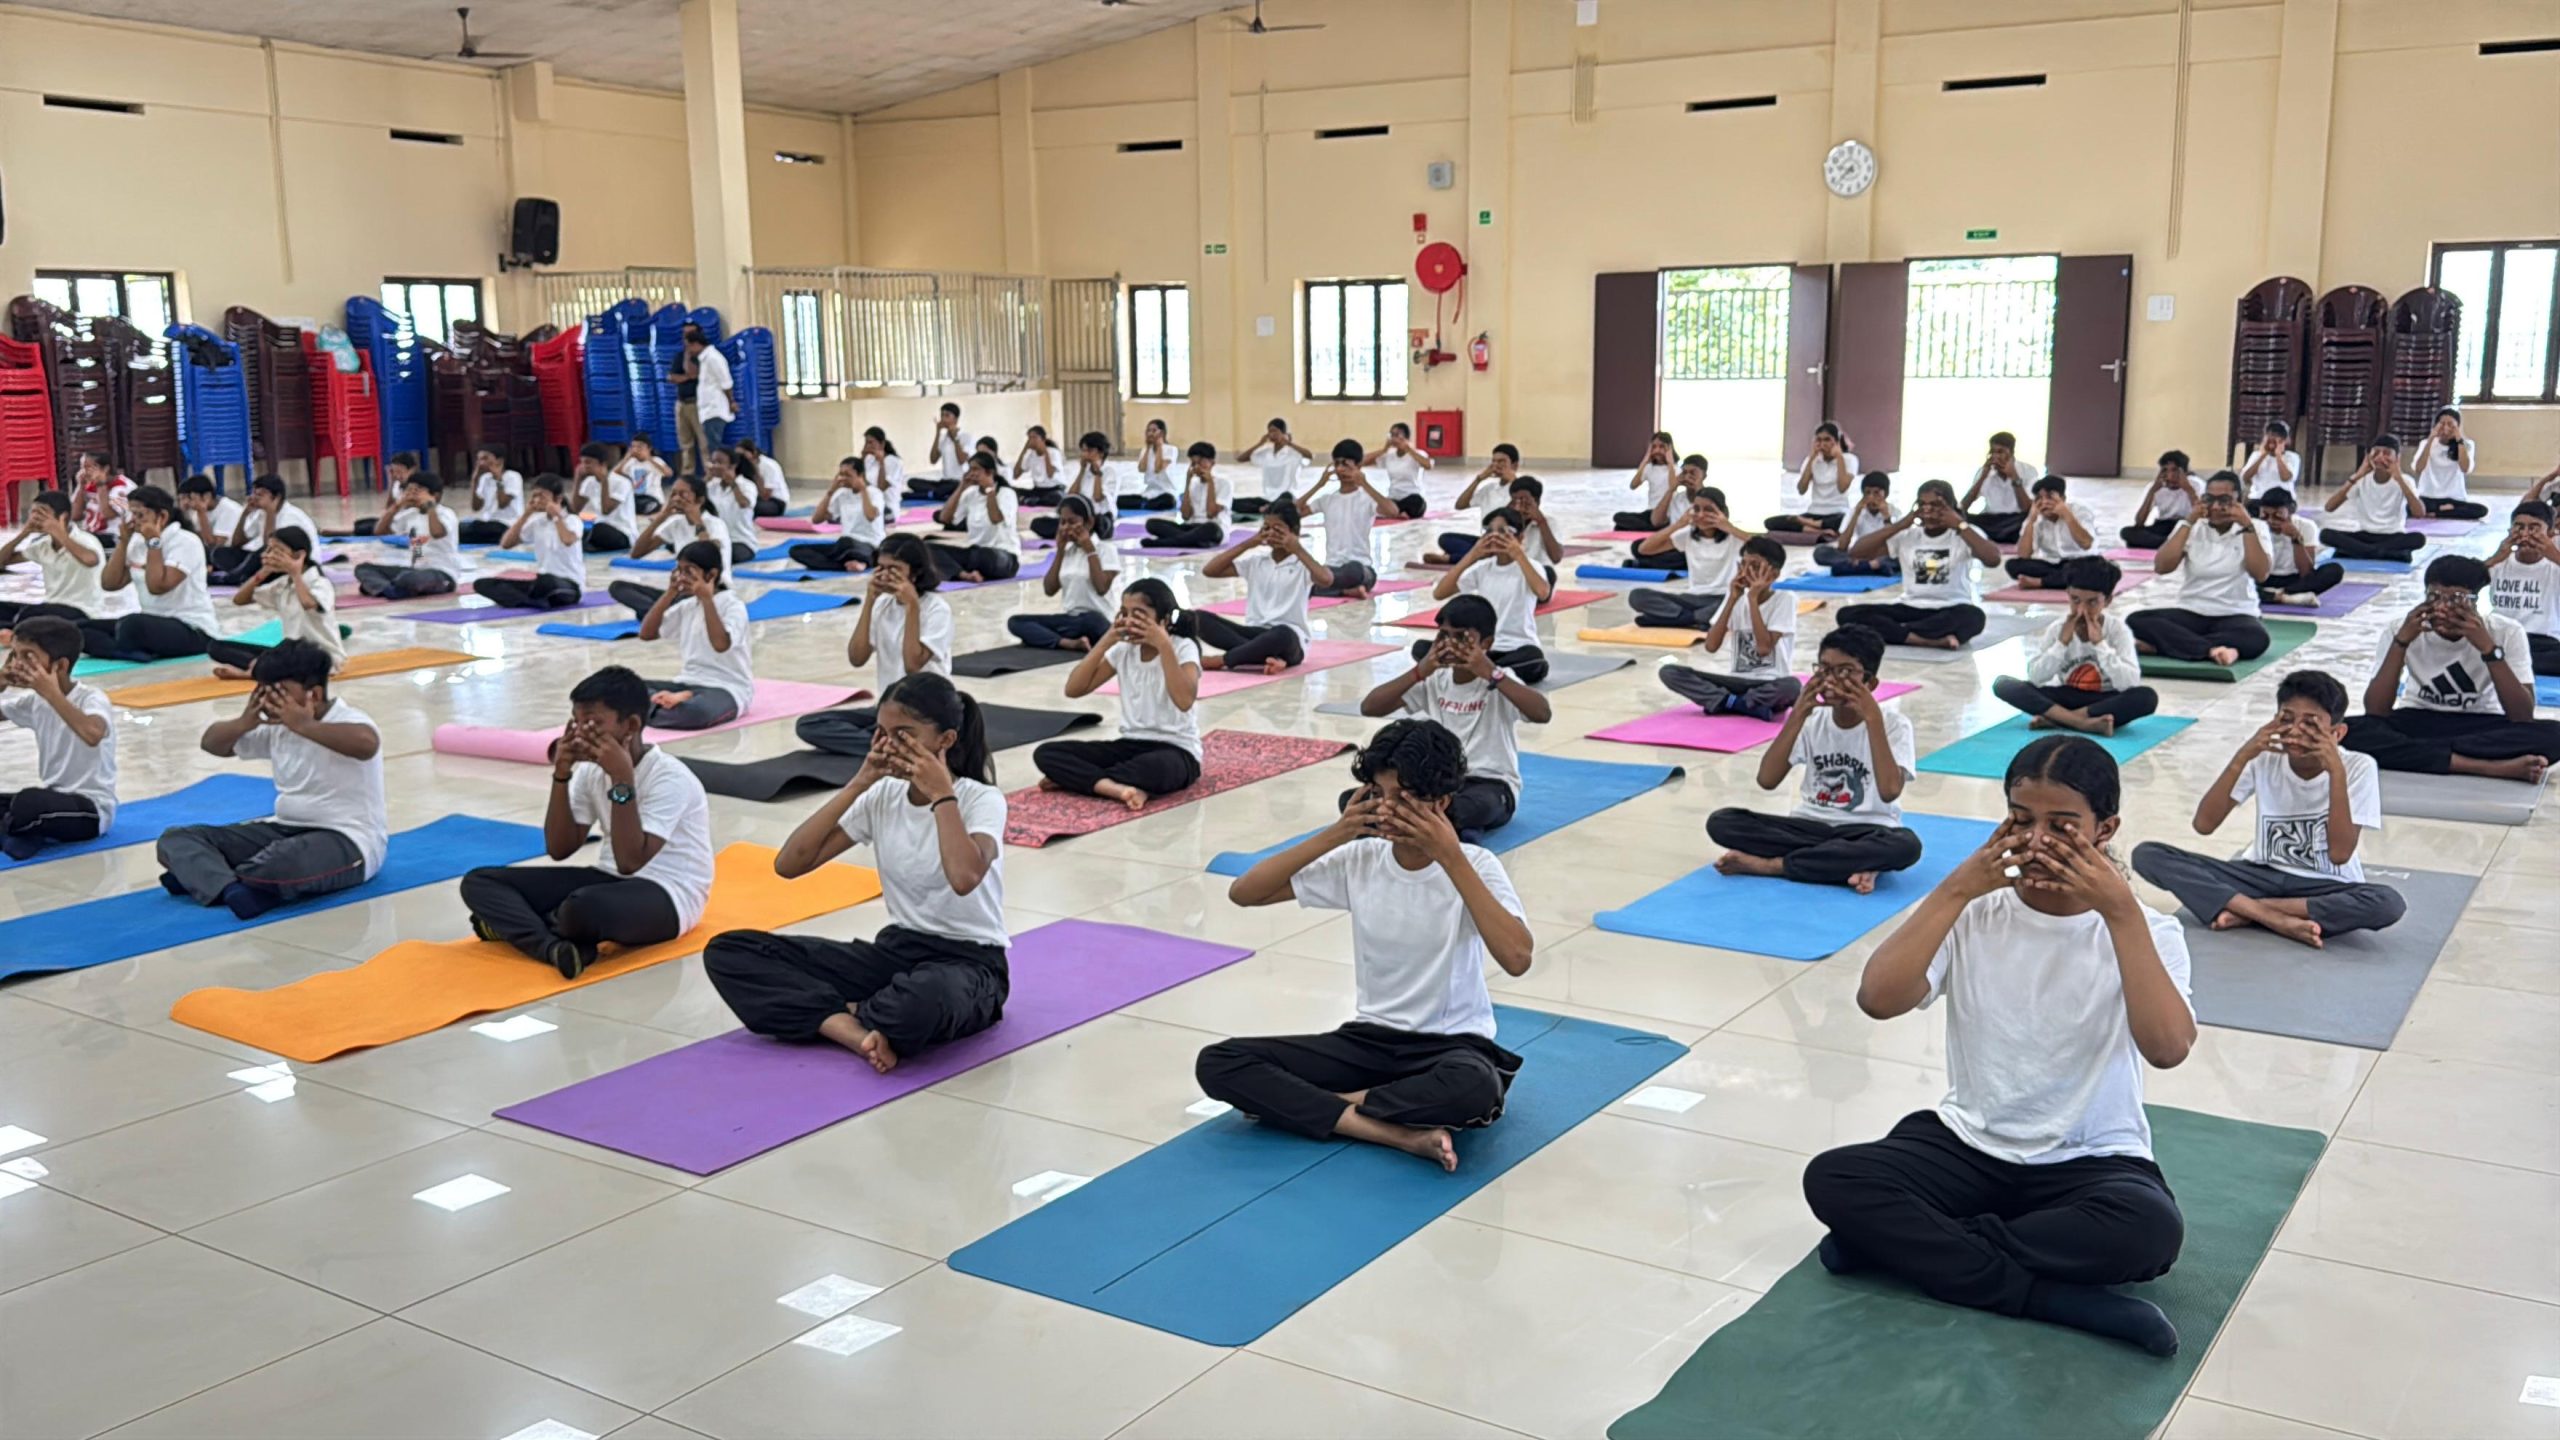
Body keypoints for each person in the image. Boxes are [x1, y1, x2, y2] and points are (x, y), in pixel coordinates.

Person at [1806, 735, 2194, 1356]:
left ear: (2105, 828)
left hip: (2088, 1159)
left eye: (2063, 825)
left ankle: (1914, 1246)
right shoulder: (1975, 912)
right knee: (1835, 1177)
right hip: (1967, 1143)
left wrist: (2122, 916)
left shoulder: (2150, 930)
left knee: (2149, 1233)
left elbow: (2168, 1047)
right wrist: (1955, 890)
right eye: (2020, 820)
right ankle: (2046, 1297)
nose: (2037, 841)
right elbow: (1878, 999)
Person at [1202, 718, 1535, 1172]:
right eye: (1380, 795)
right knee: (1220, 1061)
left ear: (1441, 801)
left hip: (1451, 1048)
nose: (1389, 810)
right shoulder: (1361, 858)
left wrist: (1451, 855)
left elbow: (1517, 958)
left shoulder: (1476, 864)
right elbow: (1246, 892)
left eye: (1406, 799)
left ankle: (1327, 1106)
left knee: (1473, 1088)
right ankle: (1391, 1132)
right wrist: (1338, 832)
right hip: (1368, 1042)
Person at [705, 672, 1007, 1074]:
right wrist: (859, 782)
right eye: (880, 733)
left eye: (903, 735)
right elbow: (790, 864)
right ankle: (848, 1027)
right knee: (729, 951)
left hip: (970, 964)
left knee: (921, 1002)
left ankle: (844, 1011)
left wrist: (941, 794)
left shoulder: (981, 800)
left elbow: (964, 877)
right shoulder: (882, 795)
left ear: (945, 740)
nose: (887, 746)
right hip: (896, 954)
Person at [459, 665, 709, 978]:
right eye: (576, 722)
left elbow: (630, 861)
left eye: (592, 722)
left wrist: (621, 780)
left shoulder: (670, 778)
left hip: (668, 895)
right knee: (480, 882)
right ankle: (552, 947)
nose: (580, 733)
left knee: (581, 907)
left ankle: (520, 926)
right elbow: (560, 848)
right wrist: (561, 774)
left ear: (630, 724)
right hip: (606, 879)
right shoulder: (590, 772)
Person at [2131, 670, 2402, 948]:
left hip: (2324, 885)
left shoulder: (2358, 766)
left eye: (2311, 724)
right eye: (2286, 719)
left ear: (2337, 733)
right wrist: (2243, 756)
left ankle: (2246, 911)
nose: (2295, 731)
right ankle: (2272, 917)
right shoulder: (2265, 758)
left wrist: (2335, 772)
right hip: (2259, 873)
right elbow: (2204, 824)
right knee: (2148, 855)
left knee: (2387, 903)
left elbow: (2340, 853)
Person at [158, 639, 386, 919]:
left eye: (279, 693)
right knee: (177, 839)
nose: (268, 702)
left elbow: (367, 743)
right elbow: (212, 743)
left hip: (347, 839)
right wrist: (244, 722)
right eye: (264, 692)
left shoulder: (347, 719)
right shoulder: (278, 726)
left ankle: (207, 878)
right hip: (282, 830)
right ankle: (233, 888)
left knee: (282, 861)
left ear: (313, 694)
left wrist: (304, 725)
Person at [1707, 625, 1920, 892]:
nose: (1831, 680)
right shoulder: (1813, 720)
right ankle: (1848, 864)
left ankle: (1775, 866)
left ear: (1870, 682)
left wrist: (1872, 718)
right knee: (1722, 822)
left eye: (1845, 672)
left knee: (1906, 846)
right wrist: (1797, 715)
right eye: (1824, 669)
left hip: (1867, 830)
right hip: (1808, 826)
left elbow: (1889, 791)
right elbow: (1767, 779)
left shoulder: (1893, 724)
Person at [2345, 556, 2560, 783]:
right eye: (2434, 597)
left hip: (2480, 722)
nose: (2443, 608)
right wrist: (2401, 642)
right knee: (2349, 730)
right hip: (2417, 718)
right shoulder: (2401, 628)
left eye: (2457, 599)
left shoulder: (2506, 631)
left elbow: (2522, 715)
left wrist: (2487, 648)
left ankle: (2419, 755)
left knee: (2554, 734)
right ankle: (2489, 767)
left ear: (2476, 601)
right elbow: (2377, 711)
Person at [1357, 598, 1551, 841]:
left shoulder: (1501, 680)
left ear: (1486, 644)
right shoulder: (1434, 680)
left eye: (1461, 637)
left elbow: (1542, 713)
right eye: (1444, 636)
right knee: (1354, 800)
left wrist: (1491, 672)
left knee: (1468, 808)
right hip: (1437, 784)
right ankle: (1453, 830)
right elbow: (1370, 707)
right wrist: (1420, 671)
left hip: (1489, 785)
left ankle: (1435, 824)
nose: (1450, 645)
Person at [1037, 578, 1202, 809]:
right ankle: (1116, 788)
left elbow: (1184, 700)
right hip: (1129, 746)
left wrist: (1164, 646)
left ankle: (1082, 779)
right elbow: (1074, 689)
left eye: (1139, 614)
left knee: (1156, 769)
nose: (1129, 620)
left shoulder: (1183, 647)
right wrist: (1106, 640)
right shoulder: (1124, 649)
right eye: (1124, 613)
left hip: (1176, 751)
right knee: (1046, 753)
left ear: (1163, 620)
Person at [796, 533, 953, 757]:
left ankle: (891, 744)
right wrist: (869, 600)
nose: (885, 575)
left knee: (912, 728)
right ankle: (893, 746)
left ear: (915, 573)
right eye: (881, 567)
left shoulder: (936, 609)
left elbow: (913, 665)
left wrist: (912, 607)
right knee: (809, 725)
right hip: (890, 709)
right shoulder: (883, 605)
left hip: (926, 710)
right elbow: (857, 658)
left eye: (894, 568)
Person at [1992, 558, 2161, 735]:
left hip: (2104, 700)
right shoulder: (2058, 628)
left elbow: (2129, 683)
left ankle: (2061, 720)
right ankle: (2082, 723)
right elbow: (2036, 677)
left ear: (2108, 600)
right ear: (2068, 595)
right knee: (2004, 684)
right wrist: (2061, 644)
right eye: (2075, 600)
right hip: (2066, 696)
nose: (2082, 610)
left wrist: (2099, 644)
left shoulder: (2117, 630)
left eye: (2092, 602)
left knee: (2146, 697)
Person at [0, 617, 117, 860]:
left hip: (90, 810)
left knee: (28, 803)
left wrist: (50, 693)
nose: (18, 664)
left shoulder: (90, 698)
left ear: (60, 666)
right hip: (54, 801)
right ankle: (19, 832)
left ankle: (16, 832)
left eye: (28, 656)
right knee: (23, 804)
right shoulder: (35, 702)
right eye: (15, 655)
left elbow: (93, 733)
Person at [2128, 472, 2271, 667]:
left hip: (2235, 613)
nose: (2216, 507)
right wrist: (2187, 522)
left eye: (2225, 501)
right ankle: (2212, 649)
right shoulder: (2191, 526)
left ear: (2241, 500)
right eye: (2209, 499)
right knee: (2136, 620)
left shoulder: (2256, 528)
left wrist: (2247, 526)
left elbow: (2260, 574)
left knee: (2257, 638)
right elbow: (2162, 567)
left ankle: (2164, 646)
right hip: (2191, 611)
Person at [1837, 480, 2001, 649]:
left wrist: (1960, 524)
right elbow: (1857, 552)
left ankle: (1899, 632)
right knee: (1847, 614)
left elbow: (1993, 559)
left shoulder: (1964, 533)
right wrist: (1900, 524)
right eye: (1923, 505)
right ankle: (1924, 639)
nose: (1928, 511)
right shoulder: (1908, 535)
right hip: (1909, 607)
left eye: (1936, 505)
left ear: (1951, 508)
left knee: (1974, 617)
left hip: (1950, 607)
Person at [1660, 536, 1799, 719]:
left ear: (1774, 574)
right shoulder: (1736, 597)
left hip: (1769, 683)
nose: (1747, 572)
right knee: (1669, 672)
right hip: (1736, 681)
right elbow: (1711, 645)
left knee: (1792, 686)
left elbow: (1764, 648)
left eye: (1755, 566)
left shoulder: (1785, 599)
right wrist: (1733, 598)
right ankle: (1738, 703)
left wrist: (1753, 600)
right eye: (1743, 565)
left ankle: (1728, 702)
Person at [77, 486, 219, 662]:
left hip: (191, 627)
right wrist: (123, 542)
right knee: (79, 629)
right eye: (132, 514)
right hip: (153, 623)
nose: (134, 521)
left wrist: (154, 543)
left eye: (140, 515)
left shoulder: (185, 542)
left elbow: (157, 587)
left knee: (132, 624)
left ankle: (123, 648)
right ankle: (126, 651)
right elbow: (109, 584)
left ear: (162, 517)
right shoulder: (136, 541)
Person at [629, 541, 755, 730]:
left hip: (726, 689)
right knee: (621, 690)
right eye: (679, 571)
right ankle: (671, 703)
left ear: (711, 575)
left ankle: (647, 711)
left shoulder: (733, 606)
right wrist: (670, 593)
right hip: (686, 682)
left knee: (696, 713)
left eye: (689, 571)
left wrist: (707, 599)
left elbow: (721, 644)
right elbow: (646, 634)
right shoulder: (688, 606)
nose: (682, 577)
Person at [1196, 505, 1328, 674]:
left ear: (1294, 531)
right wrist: (1249, 543)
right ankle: (1265, 656)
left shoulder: (1302, 565)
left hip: (1289, 640)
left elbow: (1326, 579)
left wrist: (1297, 548)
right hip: (1253, 634)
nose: (1271, 534)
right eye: (1266, 528)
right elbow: (1210, 570)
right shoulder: (1257, 562)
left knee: (1281, 634)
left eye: (1278, 529)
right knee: (1198, 619)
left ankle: (1225, 660)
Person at [1428, 508, 1553, 684]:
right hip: (1484, 648)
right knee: (1423, 649)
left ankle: (1480, 671)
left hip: (1518, 648)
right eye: (1489, 531)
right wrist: (1473, 554)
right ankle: (1488, 671)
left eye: (1503, 531)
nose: (1494, 536)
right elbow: (1439, 593)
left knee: (1534, 661)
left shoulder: (1531, 566)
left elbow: (1543, 593)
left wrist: (1518, 554)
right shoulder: (1483, 568)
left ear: (1520, 537)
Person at [207, 526, 341, 677]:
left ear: (299, 555)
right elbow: (239, 600)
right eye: (269, 550)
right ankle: (264, 668)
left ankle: (252, 673)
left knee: (288, 659)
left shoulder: (320, 583)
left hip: (319, 657)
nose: (269, 555)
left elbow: (308, 603)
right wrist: (263, 572)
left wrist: (295, 573)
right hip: (290, 654)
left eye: (277, 551)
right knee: (216, 647)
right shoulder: (283, 584)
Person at [1008, 495, 1120, 651]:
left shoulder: (1106, 549)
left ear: (1089, 522)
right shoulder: (1068, 552)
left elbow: (1101, 587)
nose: (1066, 527)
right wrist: (1060, 551)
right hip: (1071, 621)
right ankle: (1067, 643)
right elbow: (1049, 589)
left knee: (1092, 621)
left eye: (1072, 522)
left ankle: (1059, 640)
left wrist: (1089, 550)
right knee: (1015, 622)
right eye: (1063, 522)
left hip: (1097, 620)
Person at [614, 474, 732, 615]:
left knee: (683, 600)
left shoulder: (714, 524)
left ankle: (658, 613)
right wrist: (662, 516)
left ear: (699, 500)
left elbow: (710, 554)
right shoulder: (676, 523)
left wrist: (697, 522)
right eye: (674, 494)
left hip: (710, 591)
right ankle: (659, 613)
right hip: (683, 591)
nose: (676, 499)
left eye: (683, 494)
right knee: (618, 587)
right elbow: (636, 553)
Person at [1630, 484, 1747, 624]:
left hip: (1723, 598)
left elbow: (1770, 549)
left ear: (1722, 512)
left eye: (1709, 510)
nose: (1701, 515)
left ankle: (1673, 619)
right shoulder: (1687, 535)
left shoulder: (1734, 538)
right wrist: (1678, 524)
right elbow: (1644, 549)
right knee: (1637, 596)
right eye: (1696, 509)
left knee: (1740, 604)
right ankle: (1692, 619)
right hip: (1693, 598)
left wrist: (1729, 527)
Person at [472, 475, 588, 611]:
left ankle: (526, 599)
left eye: (542, 496)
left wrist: (557, 516)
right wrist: (526, 514)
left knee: (547, 582)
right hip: (542, 582)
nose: (537, 500)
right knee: (483, 584)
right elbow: (506, 543)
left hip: (569, 585)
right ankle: (530, 601)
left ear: (558, 499)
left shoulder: (572, 520)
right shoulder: (538, 522)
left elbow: (567, 540)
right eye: (534, 496)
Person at [1302, 439, 1400, 599]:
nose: (1340, 469)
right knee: (1305, 575)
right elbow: (1294, 512)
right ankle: (1344, 591)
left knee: (1352, 570)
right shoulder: (1327, 499)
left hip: (1361, 570)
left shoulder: (1366, 499)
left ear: (1358, 466)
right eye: (1337, 464)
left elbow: (1392, 511)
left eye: (1346, 465)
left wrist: (1365, 484)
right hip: (1331, 568)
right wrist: (1319, 485)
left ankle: (1325, 588)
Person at [0, 490, 106, 628]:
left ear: (63, 517)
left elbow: (90, 560)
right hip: (50, 606)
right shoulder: (43, 545)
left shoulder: (85, 540)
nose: (36, 518)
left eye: (42, 513)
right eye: (34, 513)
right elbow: (2, 561)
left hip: (81, 610)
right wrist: (23, 534)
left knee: (28, 616)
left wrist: (58, 532)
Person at [353, 470, 461, 599]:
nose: (412, 494)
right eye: (409, 490)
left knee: (408, 579)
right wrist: (397, 506)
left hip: (442, 573)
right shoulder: (410, 515)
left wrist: (430, 506)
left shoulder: (445, 513)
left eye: (418, 490)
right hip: (415, 570)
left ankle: (384, 587)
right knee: (363, 569)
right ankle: (390, 589)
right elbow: (379, 531)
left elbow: (437, 533)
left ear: (435, 495)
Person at [2319, 438, 2426, 562]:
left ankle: (2360, 551)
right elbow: (2329, 507)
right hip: (2364, 535)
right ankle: (2380, 552)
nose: (2380, 457)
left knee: (2419, 538)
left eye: (2386, 453)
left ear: (2397, 458)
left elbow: (2419, 513)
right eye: (2376, 453)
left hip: (2393, 536)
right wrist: (2357, 475)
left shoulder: (2405, 480)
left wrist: (2399, 479)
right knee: (2325, 534)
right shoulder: (2361, 479)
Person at [2487, 501, 2560, 675]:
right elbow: (2461, 582)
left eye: (2534, 528)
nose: (2525, 534)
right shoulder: (2499, 563)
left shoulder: (2554, 566)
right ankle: (2509, 662)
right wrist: (2494, 558)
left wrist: (2555, 555)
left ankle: (2504, 664)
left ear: (2550, 534)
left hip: (2542, 643)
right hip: (2501, 639)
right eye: (2519, 527)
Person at [926, 453, 1022, 582]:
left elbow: (995, 518)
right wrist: (961, 487)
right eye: (970, 469)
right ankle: (964, 574)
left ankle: (959, 568)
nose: (972, 473)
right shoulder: (971, 494)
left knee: (982, 556)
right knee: (927, 548)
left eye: (976, 469)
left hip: (1002, 558)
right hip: (974, 554)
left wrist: (990, 490)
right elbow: (945, 518)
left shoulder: (1007, 494)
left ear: (989, 472)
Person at [210, 475, 319, 587]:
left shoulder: (291, 516)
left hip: (293, 563)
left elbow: (271, 547)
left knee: (262, 552)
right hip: (268, 561)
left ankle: (233, 578)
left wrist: (270, 512)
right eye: (254, 493)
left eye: (260, 495)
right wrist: (245, 513)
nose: (255, 498)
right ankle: (244, 574)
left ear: (276, 497)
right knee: (219, 553)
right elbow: (237, 543)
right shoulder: (261, 513)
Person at [790, 453, 891, 573]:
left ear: (860, 476)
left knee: (848, 544)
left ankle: (861, 560)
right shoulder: (842, 494)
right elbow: (817, 519)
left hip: (869, 544)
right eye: (841, 474)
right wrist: (831, 492)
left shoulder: (874, 493)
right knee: (796, 550)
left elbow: (870, 516)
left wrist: (863, 490)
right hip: (845, 545)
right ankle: (844, 564)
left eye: (847, 475)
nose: (842, 479)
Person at [1429, 442, 1522, 565]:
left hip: (1506, 542)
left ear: (1514, 466)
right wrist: (1479, 479)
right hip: (1486, 540)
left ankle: (1453, 559)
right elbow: (1460, 505)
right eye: (1494, 461)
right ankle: (1476, 556)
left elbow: (1518, 515)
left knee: (1491, 552)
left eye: (1502, 462)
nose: (1496, 465)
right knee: (1445, 539)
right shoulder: (1489, 488)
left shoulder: (1522, 488)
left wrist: (1513, 480)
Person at [2001, 475, 2099, 589]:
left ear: (2063, 498)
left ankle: (2040, 582)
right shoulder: (2035, 518)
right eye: (2039, 498)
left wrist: (2066, 514)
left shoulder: (2080, 511)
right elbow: (2024, 555)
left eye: (2050, 497)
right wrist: (2031, 520)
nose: (2044, 502)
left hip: (2080, 562)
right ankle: (2060, 580)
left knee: (2092, 571)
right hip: (2052, 565)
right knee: (2013, 565)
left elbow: (2086, 544)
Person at [1768, 422, 1861, 536]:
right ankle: (1820, 530)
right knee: (1771, 522)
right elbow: (1801, 489)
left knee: (1847, 522)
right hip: (1814, 511)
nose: (1823, 444)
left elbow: (1842, 487)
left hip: (1837, 512)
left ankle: (1810, 525)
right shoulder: (1812, 460)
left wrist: (1839, 456)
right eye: (1819, 440)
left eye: (1827, 440)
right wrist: (1812, 457)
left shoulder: (1849, 459)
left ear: (1837, 441)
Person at [2254, 488, 2342, 607]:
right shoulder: (2257, 527)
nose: (2271, 521)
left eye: (2277, 516)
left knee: (2334, 570)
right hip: (2264, 578)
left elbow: (2306, 572)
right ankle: (2284, 597)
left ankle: (2278, 594)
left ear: (2291, 510)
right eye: (2265, 516)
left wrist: (2295, 538)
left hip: (2294, 580)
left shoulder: (2306, 526)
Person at [672, 323, 734, 478]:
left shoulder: (713, 358)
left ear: (697, 343)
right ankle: (693, 476)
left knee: (710, 446)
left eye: (689, 345)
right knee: (689, 443)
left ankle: (715, 476)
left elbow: (726, 382)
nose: (688, 349)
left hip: (713, 409)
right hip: (701, 408)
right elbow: (673, 376)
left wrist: (731, 402)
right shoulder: (700, 357)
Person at [1958, 431, 2042, 544]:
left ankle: (1998, 538)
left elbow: (2026, 508)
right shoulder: (1985, 471)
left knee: (2031, 519)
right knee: (1959, 517)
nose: (1995, 456)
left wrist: (2014, 476)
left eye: (2000, 452)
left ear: (2011, 453)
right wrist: (1983, 477)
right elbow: (1964, 506)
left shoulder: (2028, 471)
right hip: (1991, 519)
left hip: (2015, 520)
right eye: (1992, 452)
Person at [1144, 441, 1231, 549]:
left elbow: (1211, 513)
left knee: (1210, 530)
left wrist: (1210, 483)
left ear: (1212, 463)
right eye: (1194, 463)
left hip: (1213, 527)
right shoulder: (1194, 484)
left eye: (1201, 462)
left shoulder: (1224, 483)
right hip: (1192, 528)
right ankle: (1192, 541)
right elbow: (1185, 515)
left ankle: (1164, 542)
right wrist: (1188, 482)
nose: (1197, 467)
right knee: (1152, 524)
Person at [1814, 473, 1902, 577]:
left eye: (1876, 493)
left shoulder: (1895, 513)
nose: (1871, 497)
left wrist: (1886, 517)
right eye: (1867, 493)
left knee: (1900, 558)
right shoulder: (1855, 511)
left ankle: (1860, 567)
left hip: (1883, 556)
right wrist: (1856, 514)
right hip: (1860, 556)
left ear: (1886, 494)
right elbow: (1842, 546)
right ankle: (1870, 566)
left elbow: (1894, 546)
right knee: (1820, 552)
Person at [1034, 431, 1118, 541]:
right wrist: (1082, 470)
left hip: (1100, 516)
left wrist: (1097, 473)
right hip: (1079, 518)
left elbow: (1097, 497)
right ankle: (1076, 530)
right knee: (1038, 523)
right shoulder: (1084, 471)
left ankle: (1078, 531)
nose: (1085, 454)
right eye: (1083, 451)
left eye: (1089, 451)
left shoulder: (1109, 471)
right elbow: (1071, 496)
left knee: (1100, 524)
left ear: (1101, 453)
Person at [2408, 408, 2484, 521]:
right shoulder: (2425, 443)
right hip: (2428, 498)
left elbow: (2465, 468)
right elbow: (2418, 468)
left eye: (2450, 425)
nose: (2446, 428)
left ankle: (2436, 513)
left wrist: (2459, 439)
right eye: (2442, 424)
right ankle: (2443, 511)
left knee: (2481, 510)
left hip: (2454, 499)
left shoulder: (2466, 445)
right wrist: (2431, 439)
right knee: (2405, 507)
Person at [2121, 451, 2199, 550]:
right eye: (2165, 470)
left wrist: (2188, 489)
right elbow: (2139, 522)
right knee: (2127, 532)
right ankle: (2169, 543)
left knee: (2194, 536)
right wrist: (2152, 491)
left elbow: (2202, 517)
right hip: (2162, 525)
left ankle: (2169, 543)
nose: (2170, 475)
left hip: (2184, 525)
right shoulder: (2156, 487)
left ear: (2185, 472)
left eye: (2175, 470)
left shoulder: (2196, 485)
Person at [1238, 418, 1313, 519]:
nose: (1272, 434)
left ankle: (1269, 509)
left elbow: (1309, 456)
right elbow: (1241, 458)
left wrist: (1289, 443)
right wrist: (1260, 444)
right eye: (1270, 431)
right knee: (1233, 502)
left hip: (1286, 497)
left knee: (1286, 497)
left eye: (1275, 431)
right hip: (1268, 498)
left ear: (1284, 433)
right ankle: (1265, 509)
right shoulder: (1266, 453)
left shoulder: (1293, 453)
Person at [702, 447, 763, 563]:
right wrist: (706, 478)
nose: (714, 466)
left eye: (719, 462)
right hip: (716, 539)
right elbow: (694, 498)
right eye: (713, 462)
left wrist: (733, 484)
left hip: (741, 541)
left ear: (732, 466)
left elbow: (744, 503)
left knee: (723, 555)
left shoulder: (747, 485)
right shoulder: (712, 486)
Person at [1611, 431, 1679, 532]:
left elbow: (1673, 487)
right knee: (1618, 517)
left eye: (1661, 447)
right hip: (1650, 513)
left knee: (1620, 527)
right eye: (1654, 447)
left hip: (1666, 515)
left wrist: (1670, 463)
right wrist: (1645, 459)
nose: (1657, 450)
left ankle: (1652, 527)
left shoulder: (1676, 469)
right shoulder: (1649, 468)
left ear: (1669, 448)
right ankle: (1652, 528)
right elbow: (1633, 485)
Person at [575, 442, 638, 552]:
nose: (584, 466)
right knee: (571, 522)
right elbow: (575, 509)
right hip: (596, 527)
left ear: (602, 465)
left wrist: (604, 481)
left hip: (621, 532)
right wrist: (578, 480)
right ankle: (589, 543)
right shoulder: (589, 482)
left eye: (588, 463)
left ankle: (587, 542)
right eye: (582, 462)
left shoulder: (621, 482)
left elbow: (606, 510)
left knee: (597, 529)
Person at [457, 446, 526, 546]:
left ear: (499, 461)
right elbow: (476, 507)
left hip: (508, 524)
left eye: (485, 458)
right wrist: (475, 481)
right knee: (456, 527)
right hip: (488, 523)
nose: (481, 463)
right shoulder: (485, 478)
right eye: (479, 459)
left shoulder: (513, 477)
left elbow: (502, 504)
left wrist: (498, 479)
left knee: (476, 529)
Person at [1366, 422, 1435, 519]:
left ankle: (1394, 511)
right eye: (1391, 435)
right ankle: (1397, 511)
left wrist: (1409, 449)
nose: (1393, 438)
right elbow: (1363, 461)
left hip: (1412, 496)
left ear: (1406, 437)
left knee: (1416, 503)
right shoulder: (1389, 454)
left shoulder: (1417, 453)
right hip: (1393, 497)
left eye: (1397, 435)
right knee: (1377, 503)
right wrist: (1384, 450)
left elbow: (1428, 465)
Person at [913, 402, 972, 501]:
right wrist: (937, 433)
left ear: (956, 419)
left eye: (947, 416)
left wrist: (955, 439)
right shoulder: (944, 438)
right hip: (945, 481)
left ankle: (932, 494)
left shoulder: (965, 437)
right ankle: (935, 493)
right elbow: (933, 459)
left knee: (953, 486)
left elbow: (962, 460)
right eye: (942, 415)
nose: (943, 419)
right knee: (912, 482)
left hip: (958, 481)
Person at [2237, 420, 2300, 511]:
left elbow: (2286, 477)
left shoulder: (2292, 457)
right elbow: (2246, 478)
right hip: (2258, 498)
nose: (2272, 445)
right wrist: (2263, 455)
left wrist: (2278, 456)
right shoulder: (2256, 455)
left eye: (2277, 441)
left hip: (2282, 500)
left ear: (2285, 441)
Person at [70, 452, 134, 536]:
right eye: (82, 468)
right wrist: (81, 486)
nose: (84, 472)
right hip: (91, 534)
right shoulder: (89, 485)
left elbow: (108, 514)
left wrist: (101, 485)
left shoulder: (122, 486)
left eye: (89, 467)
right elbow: (75, 515)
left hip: (114, 536)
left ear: (105, 469)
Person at [175, 473, 244, 549]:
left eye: (189, 498)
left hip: (234, 551)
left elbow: (213, 545)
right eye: (181, 499)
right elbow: (198, 538)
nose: (185, 502)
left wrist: (201, 512)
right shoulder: (196, 510)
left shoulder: (229, 510)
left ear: (207, 496)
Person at [1125, 418, 1181, 511]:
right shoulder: (1145, 450)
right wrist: (1148, 447)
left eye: (1154, 431)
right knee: (1119, 500)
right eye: (1148, 431)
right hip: (1149, 492)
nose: (1150, 433)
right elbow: (1142, 469)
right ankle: (1145, 504)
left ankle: (1144, 505)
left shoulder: (1171, 449)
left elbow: (1158, 469)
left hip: (1166, 492)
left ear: (1162, 433)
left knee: (1168, 501)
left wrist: (1159, 446)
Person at [616, 434, 672, 514]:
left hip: (652, 497)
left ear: (649, 449)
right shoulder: (631, 462)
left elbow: (668, 473)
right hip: (636, 496)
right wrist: (626, 458)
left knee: (649, 504)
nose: (636, 450)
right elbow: (615, 473)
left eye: (639, 447)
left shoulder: (656, 460)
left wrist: (649, 459)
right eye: (633, 447)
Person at [737, 440, 790, 517]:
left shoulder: (769, 466)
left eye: (742, 455)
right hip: (758, 498)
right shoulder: (743, 465)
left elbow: (765, 496)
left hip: (776, 501)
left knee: (749, 507)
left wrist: (755, 472)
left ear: (753, 453)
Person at [1014, 425, 1063, 505]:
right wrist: (1024, 450)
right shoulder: (1031, 454)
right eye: (1029, 438)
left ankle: (1032, 501)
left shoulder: (1053, 453)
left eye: (1034, 437)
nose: (1031, 440)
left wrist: (1045, 452)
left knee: (1057, 497)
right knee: (1013, 491)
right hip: (1038, 490)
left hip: (1054, 489)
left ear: (1043, 439)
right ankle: (1033, 501)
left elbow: (1050, 474)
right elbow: (1016, 475)